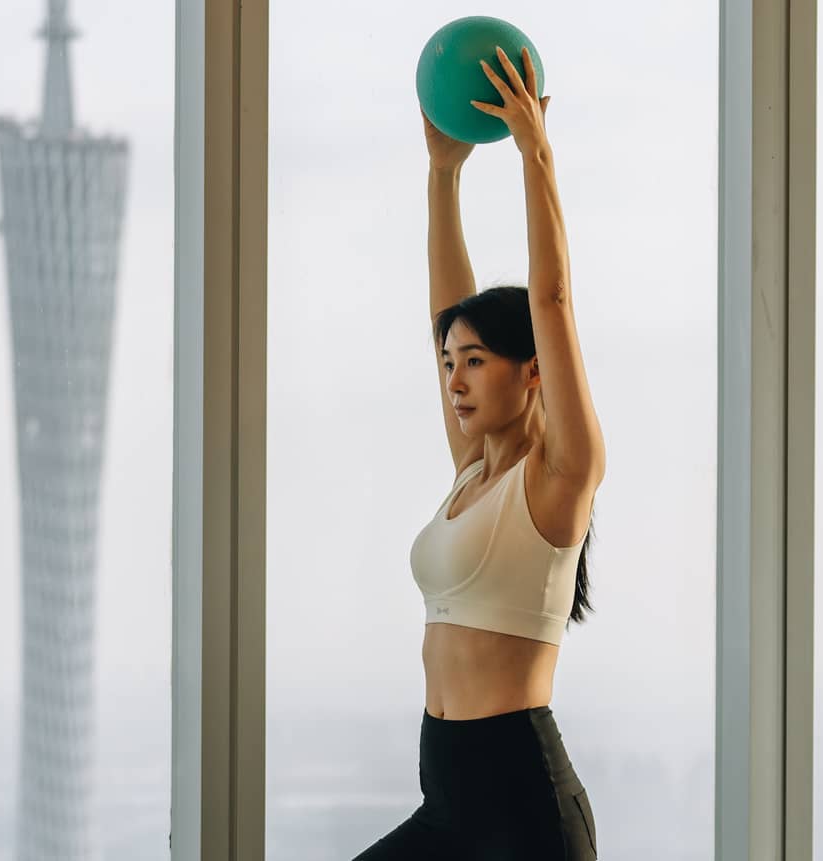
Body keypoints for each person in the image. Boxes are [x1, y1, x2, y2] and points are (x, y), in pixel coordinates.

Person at [353, 46, 605, 861]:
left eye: (477, 361)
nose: (456, 379)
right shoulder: (471, 471)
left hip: (523, 814)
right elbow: (445, 304)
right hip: (449, 802)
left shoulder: (560, 478)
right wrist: (443, 173)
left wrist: (536, 153)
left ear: (531, 373)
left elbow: (552, 299)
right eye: (448, 362)